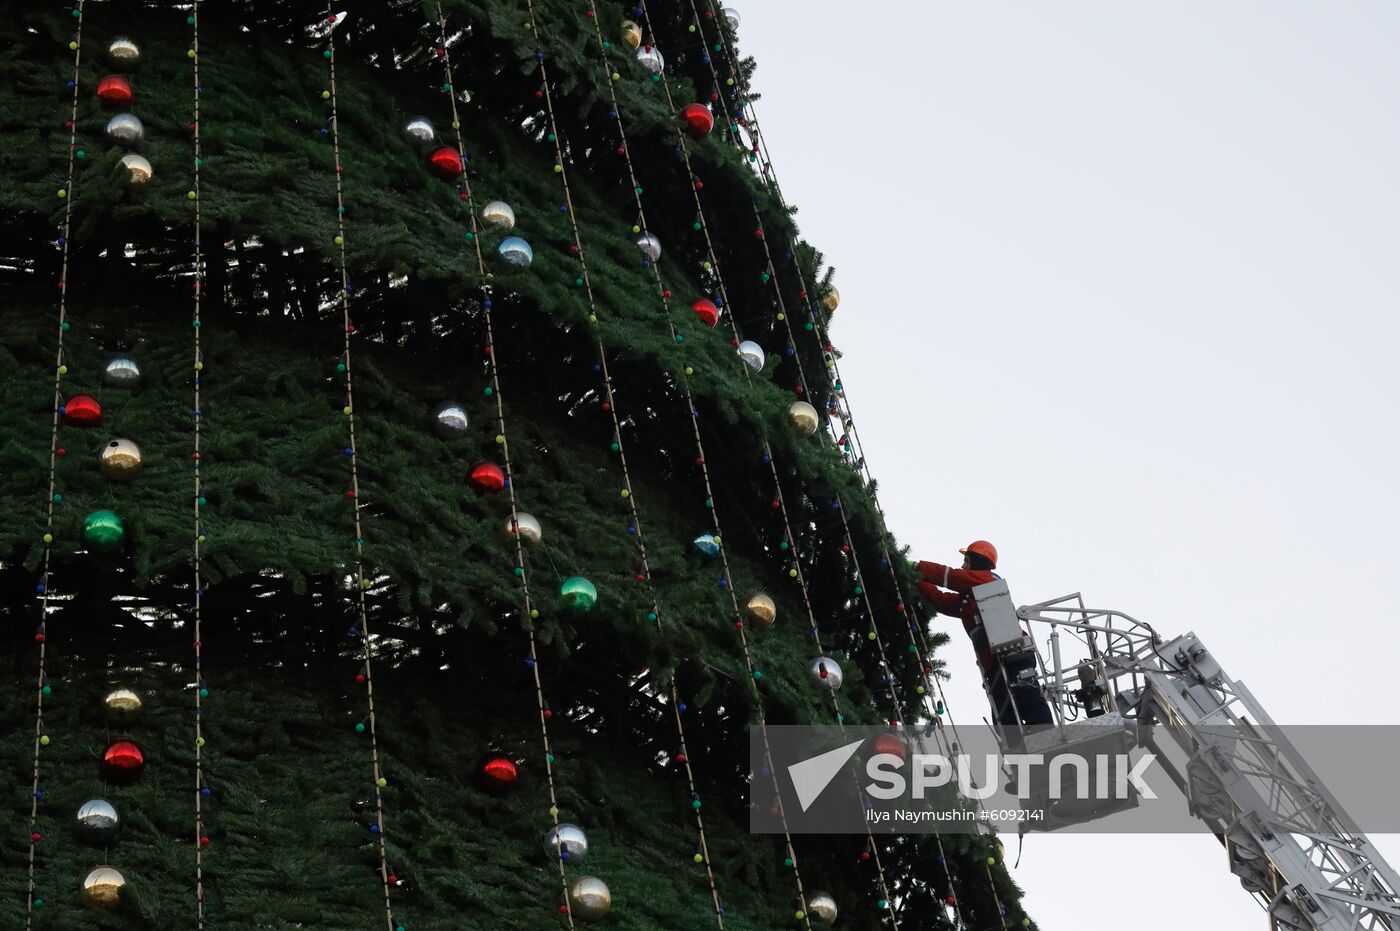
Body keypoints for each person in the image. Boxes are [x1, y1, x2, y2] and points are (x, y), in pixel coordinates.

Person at [916, 541, 1053, 729]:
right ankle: (1016, 751)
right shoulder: (968, 600)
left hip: (1015, 653)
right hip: (994, 664)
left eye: (967, 561)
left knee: (1026, 696)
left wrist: (916, 567)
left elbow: (951, 577)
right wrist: (915, 580)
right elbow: (940, 600)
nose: (963, 566)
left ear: (978, 561)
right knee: (1002, 714)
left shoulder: (987, 581)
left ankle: (1044, 732)